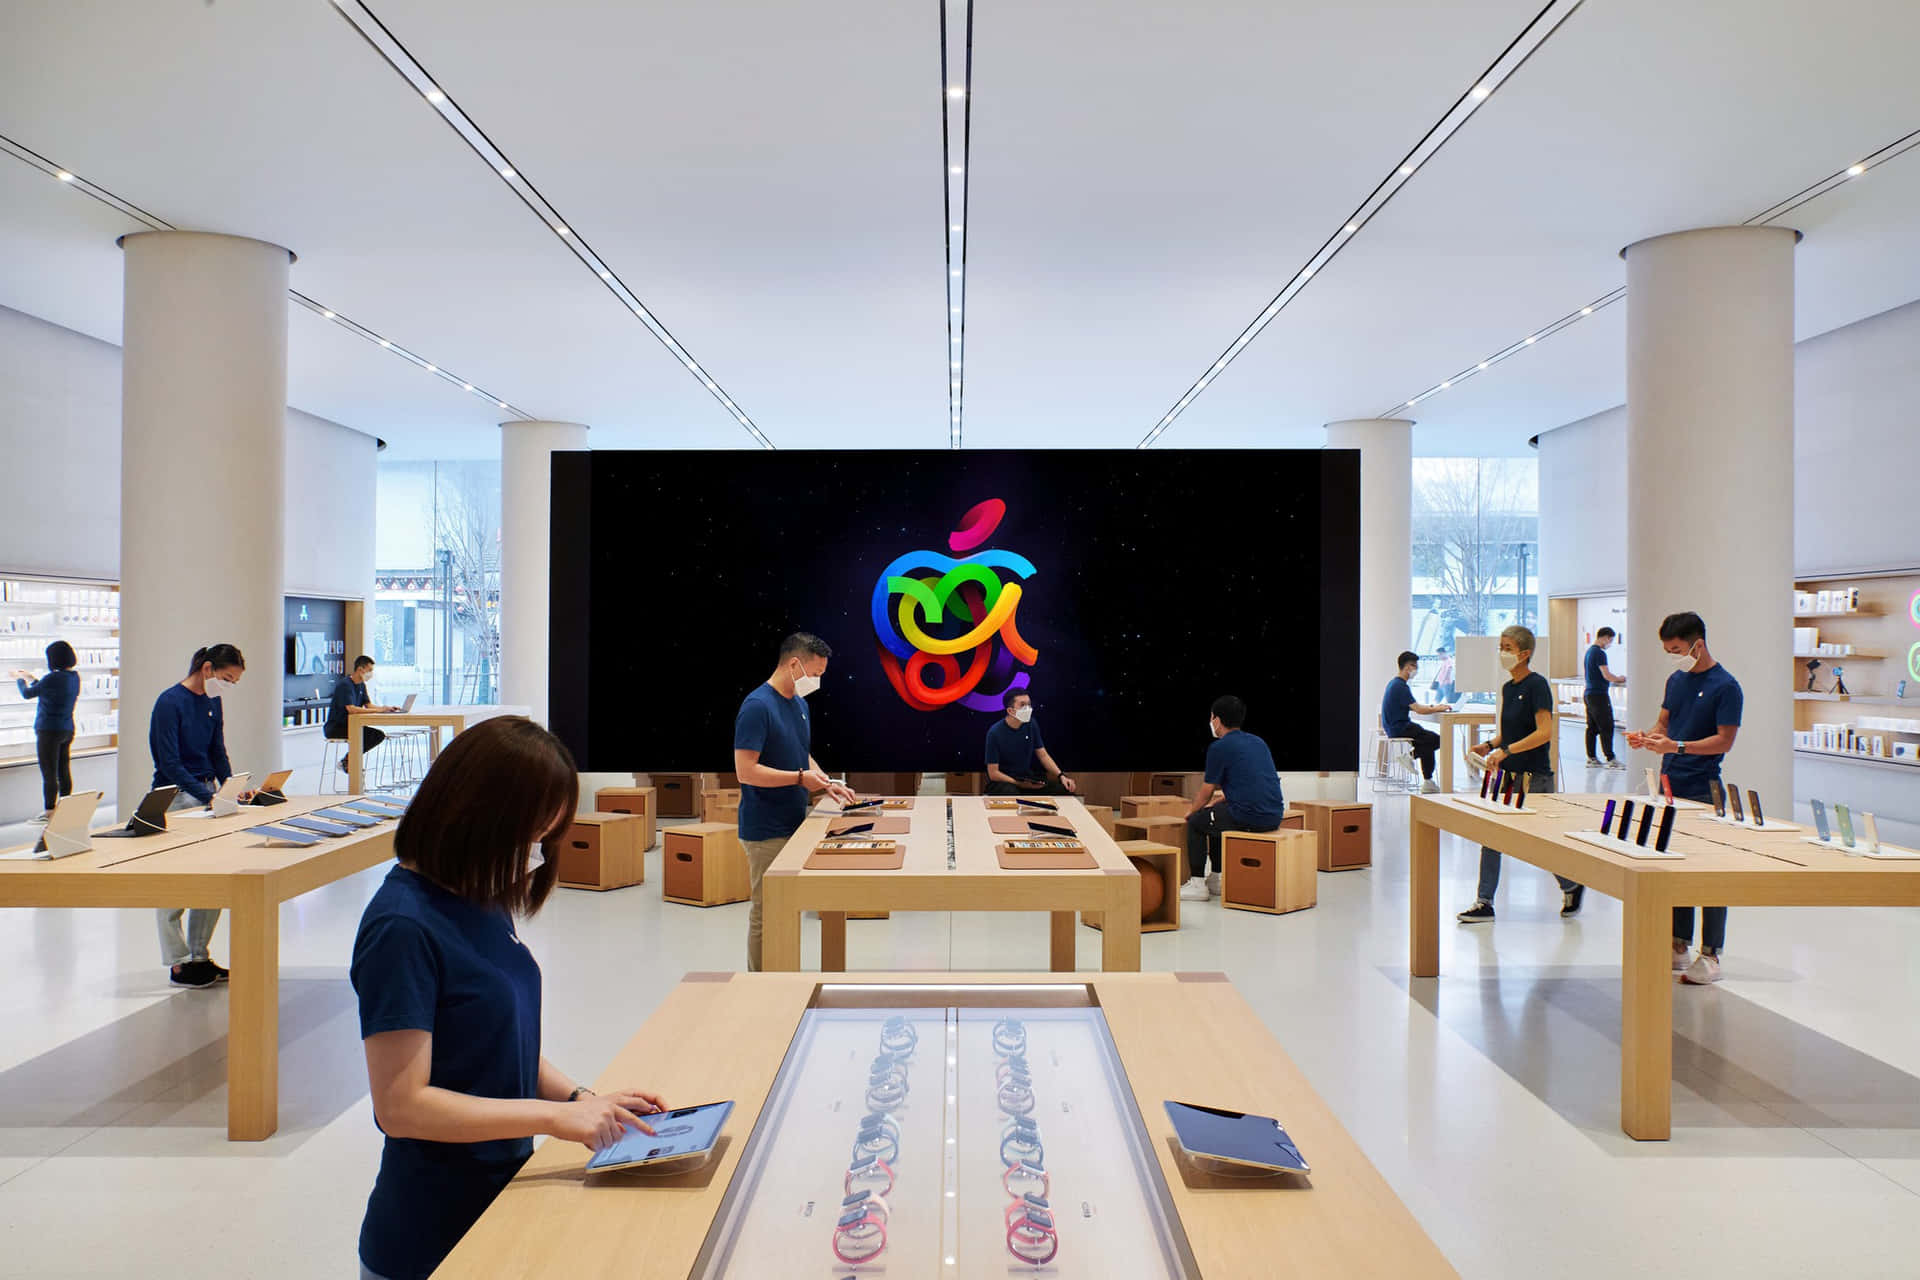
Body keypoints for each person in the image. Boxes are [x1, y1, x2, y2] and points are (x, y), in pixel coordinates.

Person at [351, 715, 666, 1280]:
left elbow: (499, 1038)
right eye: (529, 836)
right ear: (477, 818)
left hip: (505, 1198)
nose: (536, 853)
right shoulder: (401, 928)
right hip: (431, 1233)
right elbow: (401, 1107)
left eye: (546, 837)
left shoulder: (476, 895)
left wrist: (583, 1100)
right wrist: (555, 1119)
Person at [1626, 611, 1742, 986]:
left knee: (1709, 872)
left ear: (1698, 644)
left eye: (1677, 649)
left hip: (1704, 789)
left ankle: (1711, 954)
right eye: (1668, 650)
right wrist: (1647, 737)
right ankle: (1679, 943)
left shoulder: (1726, 686)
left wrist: (1677, 745)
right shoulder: (1676, 680)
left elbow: (1724, 740)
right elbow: (1664, 724)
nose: (1673, 656)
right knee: (1673, 867)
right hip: (1669, 786)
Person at [732, 633, 857, 971]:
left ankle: (784, 974)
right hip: (765, 829)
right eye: (814, 674)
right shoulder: (757, 707)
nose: (817, 681)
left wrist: (827, 782)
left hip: (794, 822)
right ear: (793, 664)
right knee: (767, 910)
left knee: (789, 908)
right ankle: (761, 983)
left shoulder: (799, 704)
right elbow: (745, 771)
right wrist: (801, 779)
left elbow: (801, 753)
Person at [1457, 625, 1584, 923]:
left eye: (1508, 648)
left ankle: (1570, 883)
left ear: (1525, 653)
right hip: (1509, 776)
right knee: (1491, 834)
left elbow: (1544, 732)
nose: (1502, 653)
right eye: (1500, 646)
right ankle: (1484, 901)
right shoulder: (1508, 688)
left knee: (1541, 841)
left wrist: (1508, 751)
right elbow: (1510, 731)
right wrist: (1489, 744)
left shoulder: (1537, 686)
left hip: (1535, 776)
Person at [149, 643, 246, 988]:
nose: (228, 686)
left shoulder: (213, 701)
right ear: (207, 669)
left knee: (214, 877)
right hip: (176, 799)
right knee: (176, 880)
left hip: (206, 797)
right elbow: (169, 764)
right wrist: (209, 795)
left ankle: (200, 956)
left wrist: (230, 786)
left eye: (233, 681)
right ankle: (178, 962)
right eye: (226, 678)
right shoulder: (169, 703)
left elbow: (217, 750)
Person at [1179, 695, 1287, 903]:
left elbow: (1207, 790)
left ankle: (1197, 884)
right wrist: (1223, 800)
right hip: (1274, 814)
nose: (1211, 722)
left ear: (1217, 720)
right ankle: (1217, 879)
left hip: (1250, 817)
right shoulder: (1258, 742)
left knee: (1197, 822)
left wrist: (1191, 811)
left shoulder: (1219, 747)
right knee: (1217, 816)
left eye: (1211, 718)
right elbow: (1252, 779)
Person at [12, 640, 80, 820]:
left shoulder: (53, 678)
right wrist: (32, 678)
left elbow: (28, 694)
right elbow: (44, 688)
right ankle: (66, 807)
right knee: (63, 769)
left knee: (49, 772)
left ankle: (49, 811)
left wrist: (19, 679)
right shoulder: (73, 677)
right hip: (66, 729)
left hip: (48, 731)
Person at [984, 689, 1076, 796]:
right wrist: (1018, 784)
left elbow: (1043, 755)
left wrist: (1061, 776)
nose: (1028, 709)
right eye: (1023, 705)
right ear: (1010, 711)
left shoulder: (1032, 724)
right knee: (1010, 792)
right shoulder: (994, 732)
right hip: (1004, 782)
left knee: (1062, 789)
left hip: (1026, 779)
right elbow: (993, 773)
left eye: (1029, 704)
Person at [1382, 650, 1450, 793]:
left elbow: (1413, 707)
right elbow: (1418, 709)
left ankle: (1427, 781)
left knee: (1427, 741)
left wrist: (1432, 707)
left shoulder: (1394, 684)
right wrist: (1438, 708)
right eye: (1414, 666)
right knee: (1436, 740)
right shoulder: (1401, 687)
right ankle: (1411, 759)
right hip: (1400, 727)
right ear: (1407, 667)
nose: (1416, 670)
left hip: (1394, 727)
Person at [327, 655, 400, 774]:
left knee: (377, 735)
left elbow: (369, 705)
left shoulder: (361, 685)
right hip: (337, 727)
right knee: (370, 736)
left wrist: (386, 708)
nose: (371, 674)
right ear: (360, 669)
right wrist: (378, 711)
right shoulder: (345, 685)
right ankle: (348, 761)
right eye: (369, 670)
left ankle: (348, 759)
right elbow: (351, 709)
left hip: (352, 726)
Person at [1583, 626, 1627, 768]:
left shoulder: (1589, 652)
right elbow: (1606, 675)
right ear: (1605, 637)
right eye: (1610, 640)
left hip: (1589, 694)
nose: (1610, 643)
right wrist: (1620, 678)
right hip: (1599, 695)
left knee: (1592, 727)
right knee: (1606, 726)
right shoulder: (1600, 653)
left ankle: (1591, 758)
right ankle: (1610, 759)